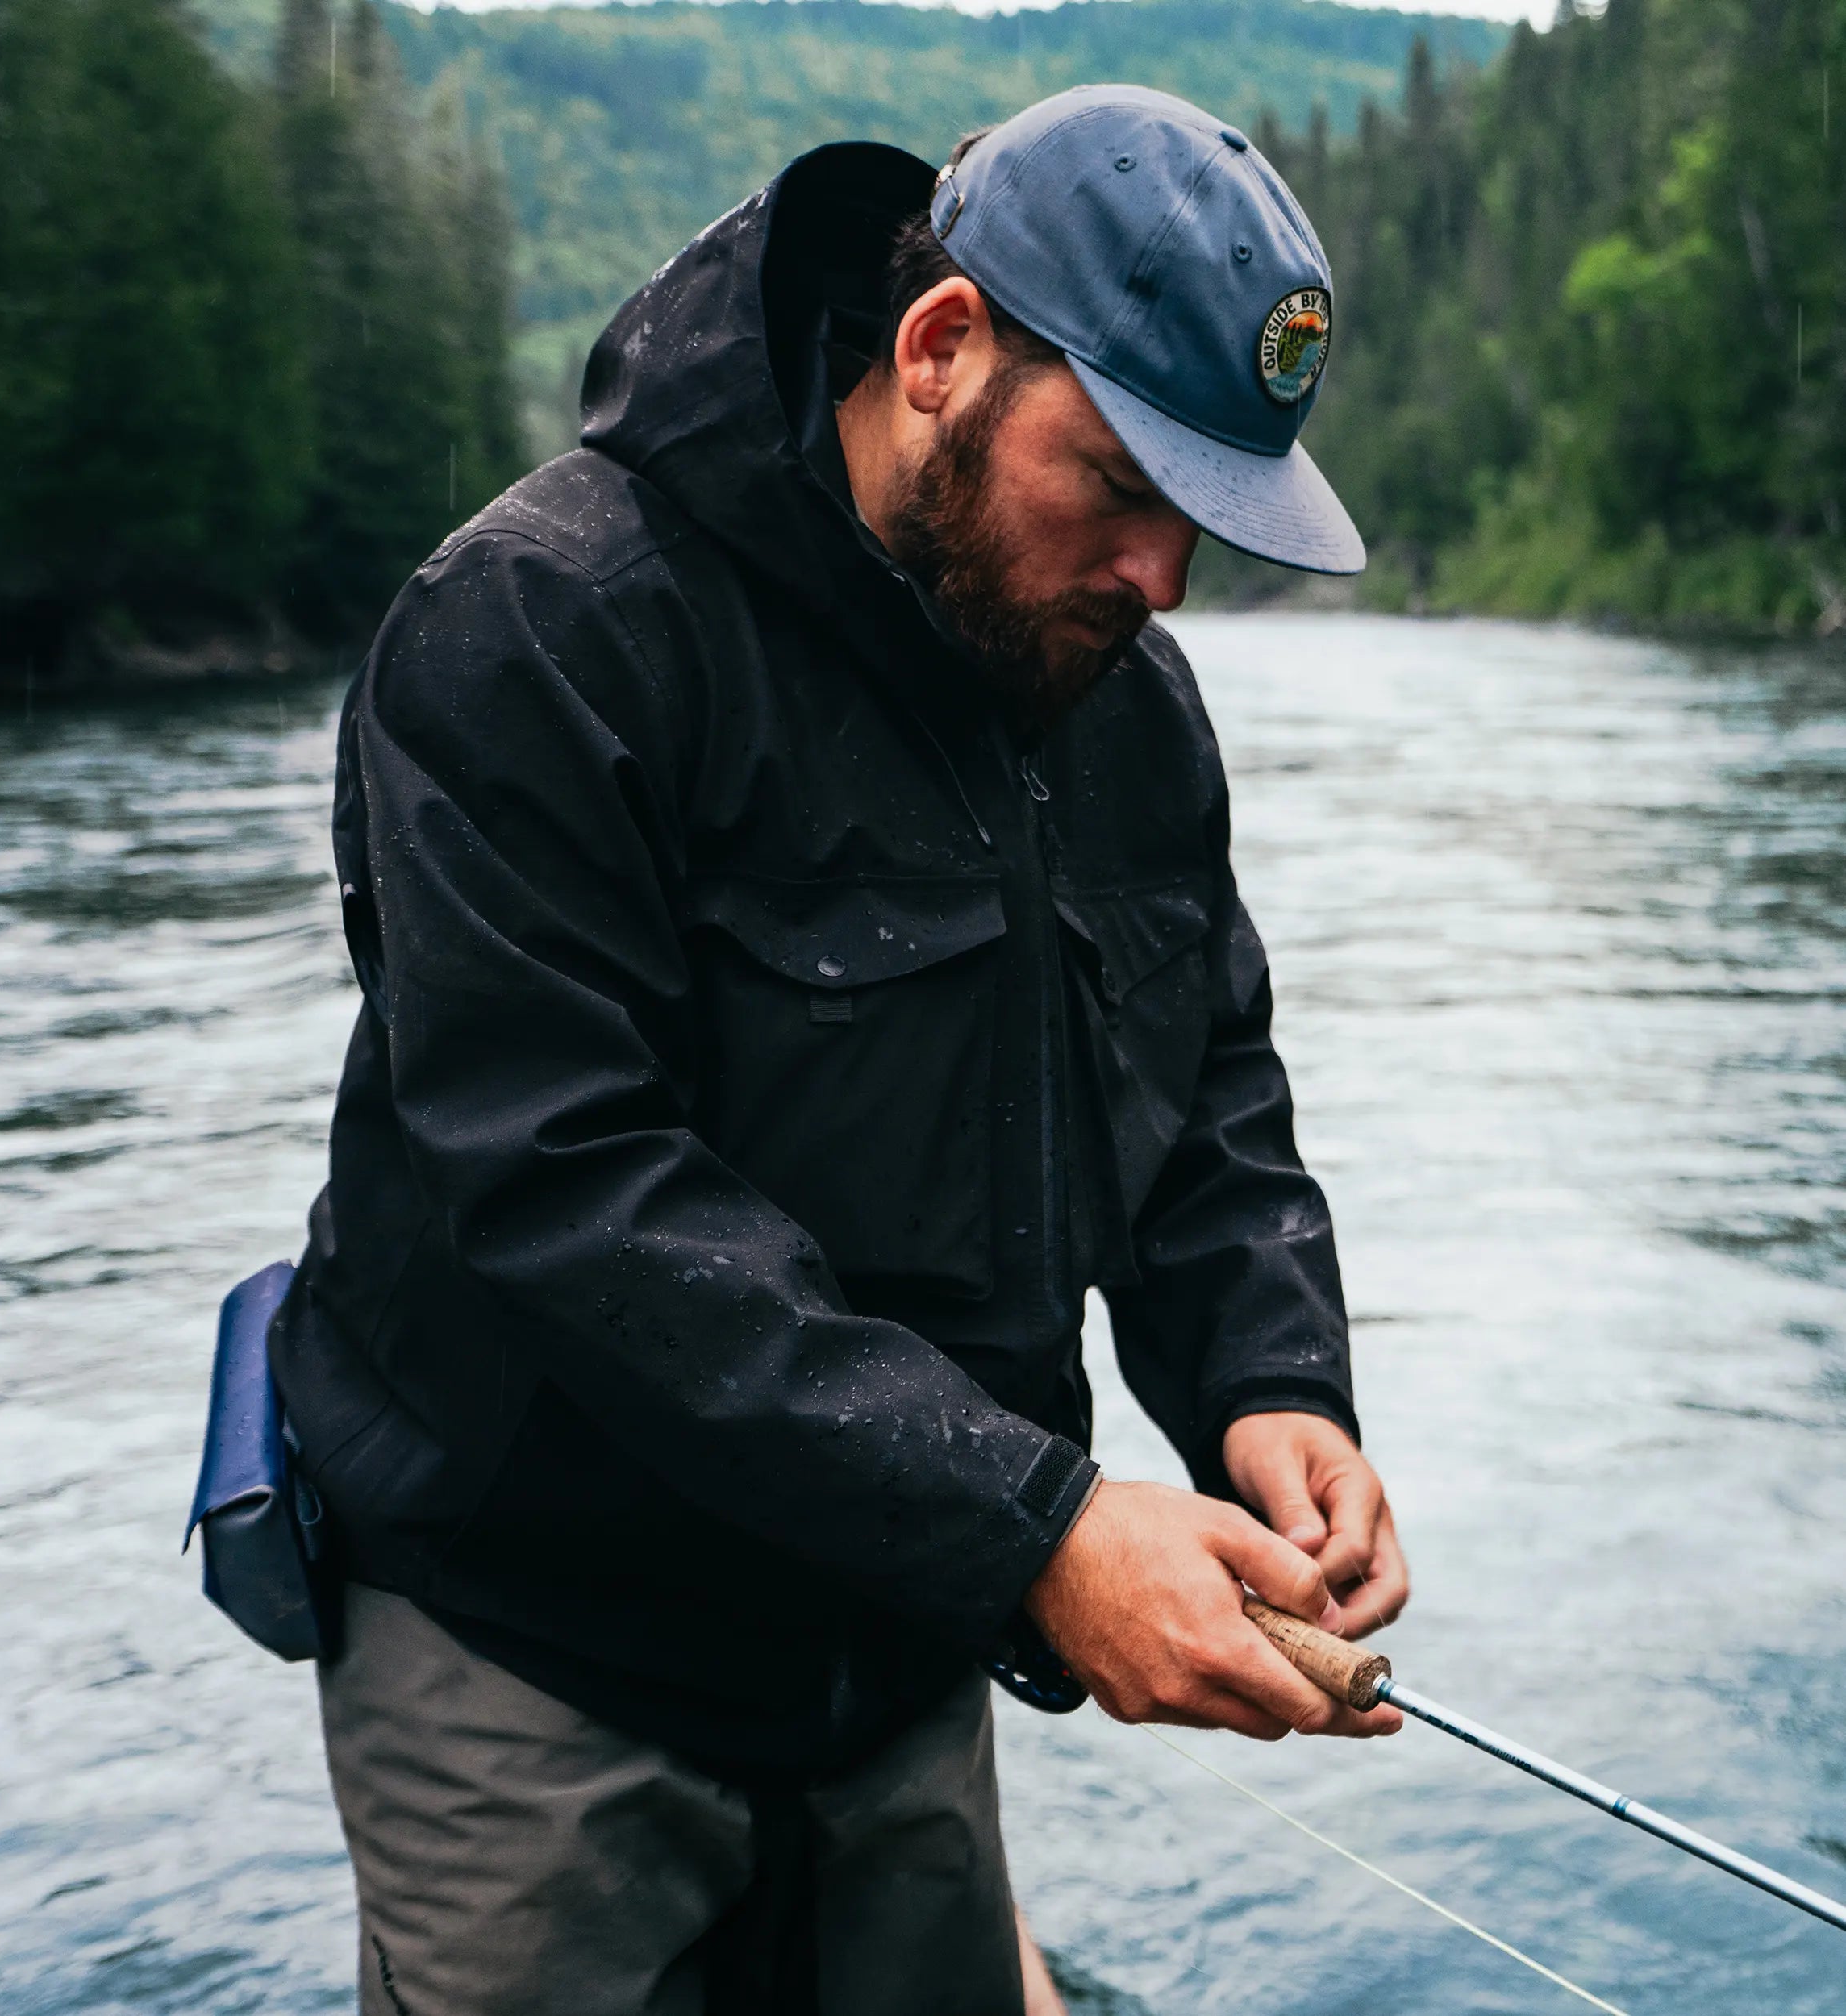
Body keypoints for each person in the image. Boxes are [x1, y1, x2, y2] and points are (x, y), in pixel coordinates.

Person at [271, 83, 1411, 2016]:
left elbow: (1205, 1095)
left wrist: (1265, 1377)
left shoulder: (1113, 695)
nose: (1160, 581)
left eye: (1202, 521)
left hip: (898, 1637)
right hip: (536, 1653)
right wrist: (1041, 1528)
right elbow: (569, 1193)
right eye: (1124, 487)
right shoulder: (535, 627)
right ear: (941, 348)